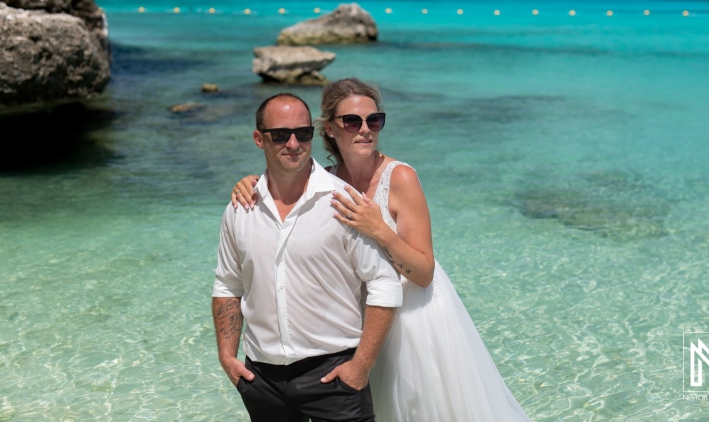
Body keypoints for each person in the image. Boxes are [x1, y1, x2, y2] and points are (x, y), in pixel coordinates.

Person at [231, 79, 532, 422]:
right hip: (359, 323)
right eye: (352, 122)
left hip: (412, 321)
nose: (365, 130)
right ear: (329, 128)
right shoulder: (324, 180)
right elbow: (284, 180)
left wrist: (380, 230)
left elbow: (424, 271)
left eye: (374, 121)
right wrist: (250, 183)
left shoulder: (400, 177)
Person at [213, 92, 403, 422]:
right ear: (259, 139)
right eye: (280, 134)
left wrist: (361, 366)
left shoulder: (343, 202)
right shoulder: (240, 207)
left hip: (335, 375)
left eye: (303, 133)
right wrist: (227, 357)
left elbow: (384, 284)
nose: (293, 143)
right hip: (261, 378)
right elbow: (228, 286)